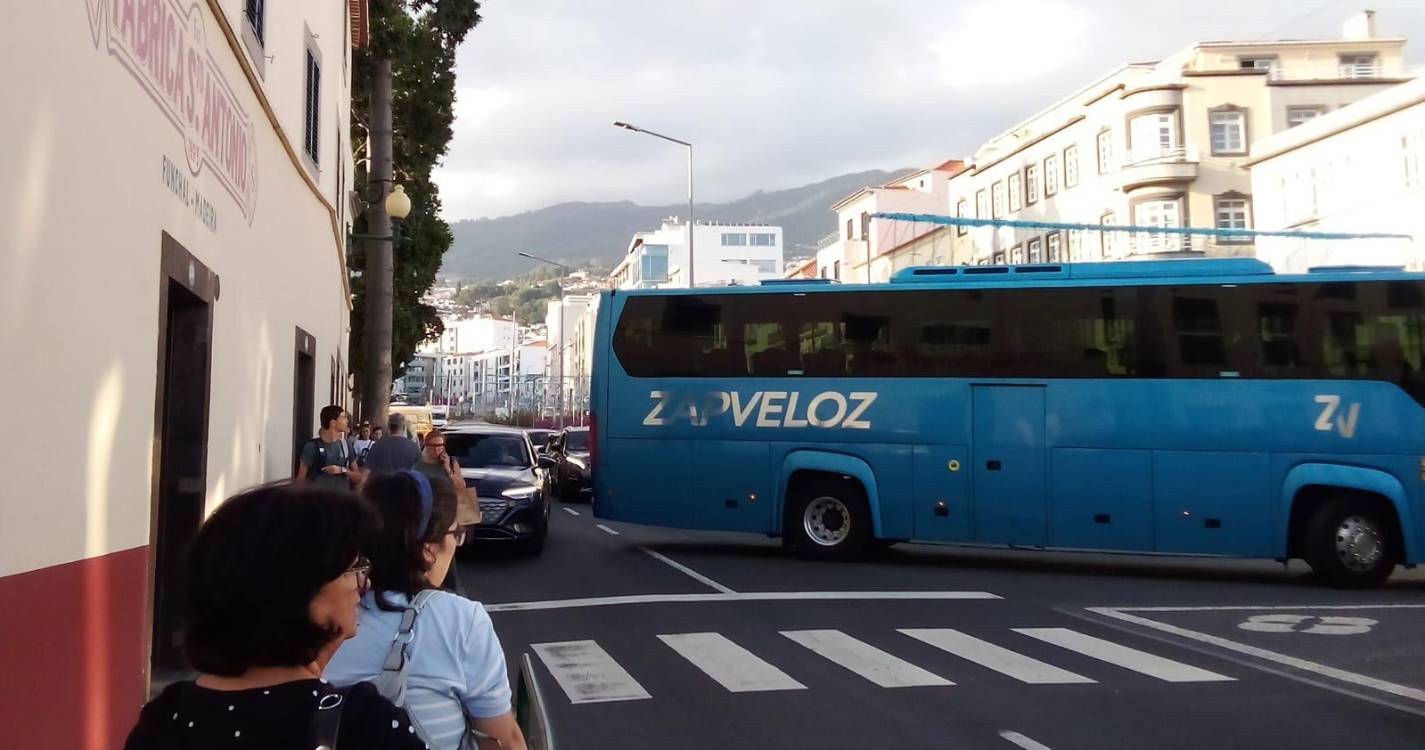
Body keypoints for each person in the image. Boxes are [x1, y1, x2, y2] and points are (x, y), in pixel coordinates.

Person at [124, 484, 428, 750]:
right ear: (301, 591)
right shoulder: (362, 723)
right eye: (355, 569)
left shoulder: (165, 719)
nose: (365, 584)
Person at [326, 472, 525, 750]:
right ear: (428, 550)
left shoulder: (327, 614)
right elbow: (502, 740)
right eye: (456, 534)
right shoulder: (463, 620)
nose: (457, 543)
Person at [414, 430, 481, 594]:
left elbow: (461, 486)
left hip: (446, 515)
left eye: (440, 446)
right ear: (426, 446)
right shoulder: (418, 466)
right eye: (433, 445)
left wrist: (447, 470)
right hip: (426, 514)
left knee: (446, 552)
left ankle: (449, 588)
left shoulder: (450, 462)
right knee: (427, 552)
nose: (437, 450)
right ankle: (427, 586)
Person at [296, 405, 363, 491]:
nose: (347, 421)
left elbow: (358, 478)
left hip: (342, 501)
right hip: (319, 501)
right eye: (343, 417)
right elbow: (300, 480)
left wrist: (343, 470)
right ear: (333, 423)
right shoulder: (312, 447)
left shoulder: (346, 445)